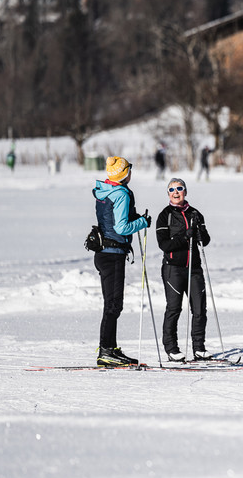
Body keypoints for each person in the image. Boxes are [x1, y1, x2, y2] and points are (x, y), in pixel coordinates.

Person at [91, 156, 152, 366]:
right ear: (124, 174)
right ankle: (106, 351)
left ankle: (110, 347)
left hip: (103, 253)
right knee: (114, 305)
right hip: (113, 254)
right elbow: (121, 228)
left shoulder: (105, 190)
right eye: (129, 170)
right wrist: (142, 222)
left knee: (112, 304)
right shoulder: (121, 194)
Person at [156, 178, 212, 361]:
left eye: (179, 188)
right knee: (174, 308)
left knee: (199, 309)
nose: (176, 192)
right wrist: (184, 236)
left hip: (194, 268)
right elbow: (164, 244)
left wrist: (198, 233)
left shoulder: (195, 213)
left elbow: (205, 240)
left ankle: (199, 348)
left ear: (185, 191)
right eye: (171, 189)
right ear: (168, 193)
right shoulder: (165, 215)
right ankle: (171, 348)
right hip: (173, 268)